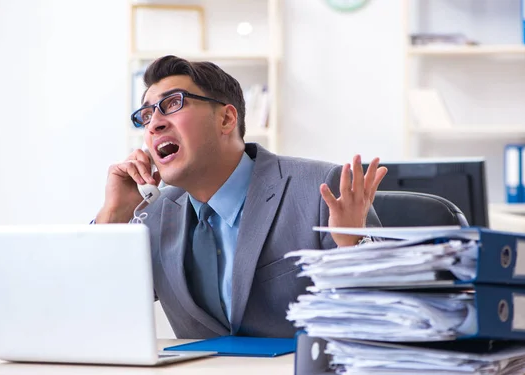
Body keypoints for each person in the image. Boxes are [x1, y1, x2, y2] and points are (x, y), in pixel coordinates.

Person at [95, 55, 387, 339]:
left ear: (226, 118)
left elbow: (385, 317)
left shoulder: (322, 190)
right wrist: (113, 214)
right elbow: (99, 307)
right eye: (146, 115)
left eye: (173, 104)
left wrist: (352, 246)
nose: (154, 124)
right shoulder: (154, 214)